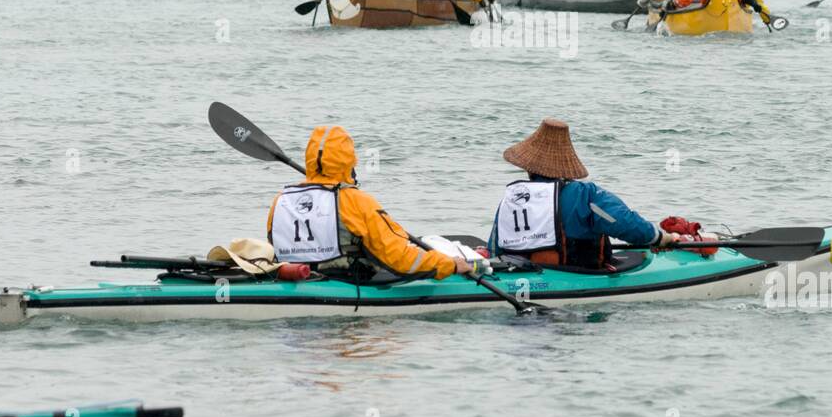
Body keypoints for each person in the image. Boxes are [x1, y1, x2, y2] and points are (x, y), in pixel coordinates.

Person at [267, 125, 480, 280]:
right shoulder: (355, 201)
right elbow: (398, 257)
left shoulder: (281, 200)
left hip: (298, 277)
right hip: (350, 280)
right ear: (349, 161)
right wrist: (449, 264)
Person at [488, 119, 672, 269]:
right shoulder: (585, 196)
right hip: (574, 275)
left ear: (528, 169)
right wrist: (659, 238)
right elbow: (623, 222)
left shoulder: (512, 197)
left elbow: (494, 248)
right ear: (565, 167)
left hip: (519, 274)